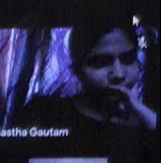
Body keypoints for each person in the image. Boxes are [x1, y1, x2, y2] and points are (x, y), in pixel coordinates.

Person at [13, 23, 156, 150]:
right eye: (101, 62)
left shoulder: (143, 122)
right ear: (77, 71)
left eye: (128, 59)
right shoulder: (44, 113)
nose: (118, 74)